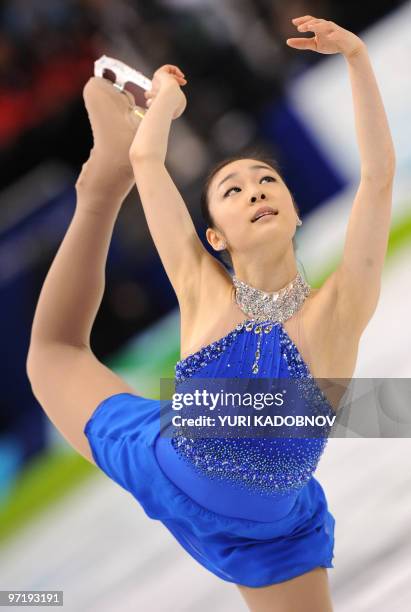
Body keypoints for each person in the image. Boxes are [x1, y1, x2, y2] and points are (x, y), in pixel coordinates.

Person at [26, 14, 395, 612]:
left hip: (274, 533)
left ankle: (104, 181)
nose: (254, 191)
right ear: (216, 238)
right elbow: (150, 161)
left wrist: (355, 59)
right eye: (233, 190)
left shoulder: (339, 310)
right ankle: (100, 191)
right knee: (51, 353)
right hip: (165, 466)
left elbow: (377, 179)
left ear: (295, 211)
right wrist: (164, 106)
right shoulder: (202, 287)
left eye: (267, 181)